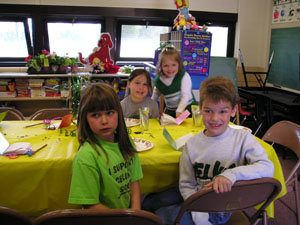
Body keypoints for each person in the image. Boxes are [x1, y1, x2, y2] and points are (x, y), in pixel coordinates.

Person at [179, 76, 274, 224]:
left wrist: (231, 174)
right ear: (200, 109)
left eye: (223, 111)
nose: (215, 118)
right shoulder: (192, 144)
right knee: (155, 204)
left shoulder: (243, 139)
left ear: (233, 110)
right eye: (208, 111)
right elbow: (186, 185)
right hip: (200, 202)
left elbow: (267, 167)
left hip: (225, 206)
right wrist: (199, 214)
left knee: (164, 216)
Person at [68, 83, 143, 210]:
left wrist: (135, 214)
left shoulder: (127, 142)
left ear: (118, 113)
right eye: (95, 115)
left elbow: (133, 182)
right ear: (85, 118)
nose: (104, 121)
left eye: (109, 112)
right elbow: (90, 205)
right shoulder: (86, 157)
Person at [151, 46, 197, 118]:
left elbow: (185, 96)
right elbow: (155, 96)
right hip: (171, 111)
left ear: (179, 64)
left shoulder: (184, 76)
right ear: (161, 66)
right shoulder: (158, 80)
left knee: (187, 128)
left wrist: (179, 111)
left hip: (187, 109)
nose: (170, 69)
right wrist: (150, 107)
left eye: (174, 65)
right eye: (166, 66)